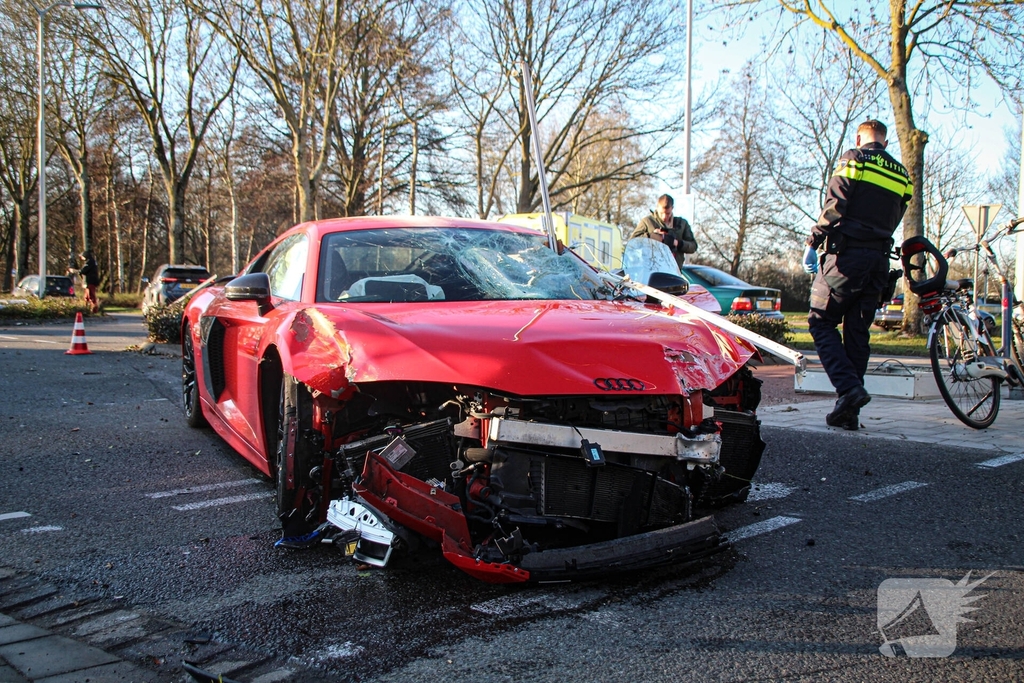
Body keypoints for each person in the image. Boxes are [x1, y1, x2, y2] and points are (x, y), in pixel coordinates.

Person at [802, 119, 913, 430]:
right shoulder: (902, 174)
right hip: (878, 262)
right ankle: (849, 412)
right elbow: (899, 212)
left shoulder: (855, 159)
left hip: (847, 257)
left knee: (820, 322)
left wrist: (814, 241)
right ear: (886, 142)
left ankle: (849, 390)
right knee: (857, 332)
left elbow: (836, 204)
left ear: (860, 138)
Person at [630, 194, 697, 269]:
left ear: (672, 208)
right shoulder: (648, 222)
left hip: (674, 270)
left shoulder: (681, 224)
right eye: (662, 213)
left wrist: (676, 243)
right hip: (651, 270)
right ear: (657, 207)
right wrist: (651, 236)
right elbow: (632, 243)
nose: (664, 216)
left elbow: (693, 246)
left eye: (668, 213)